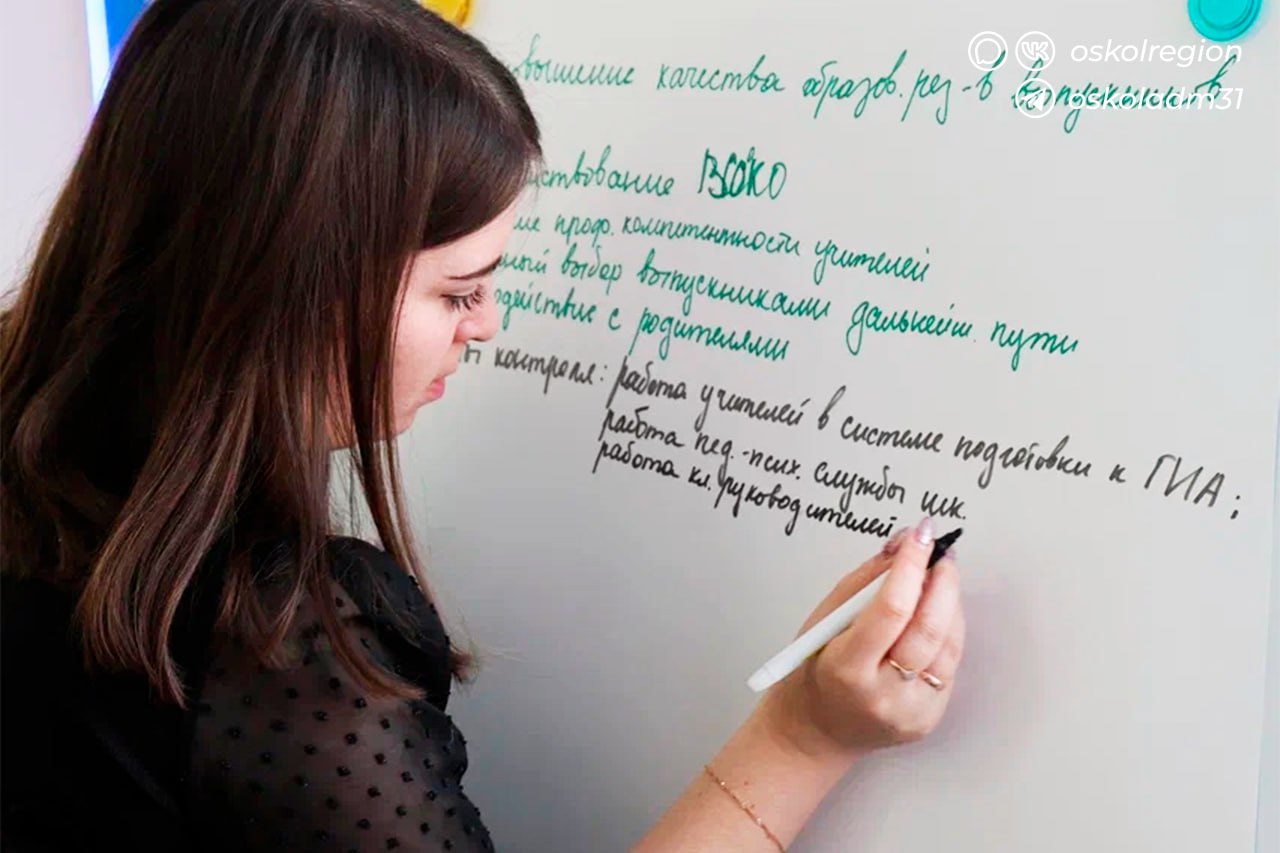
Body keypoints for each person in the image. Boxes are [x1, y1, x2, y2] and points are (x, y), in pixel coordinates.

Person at [0, 1, 966, 850]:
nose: (488, 323)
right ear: (286, 289)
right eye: (458, 291)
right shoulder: (279, 659)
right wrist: (802, 737)